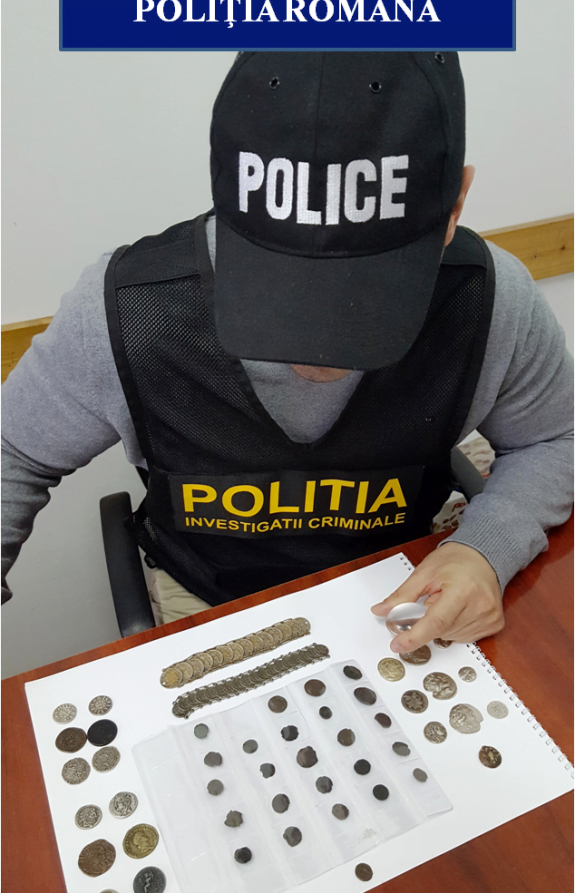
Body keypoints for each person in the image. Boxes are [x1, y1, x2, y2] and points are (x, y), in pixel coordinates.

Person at [0, 52, 573, 655]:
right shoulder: (125, 309)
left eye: (368, 294)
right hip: (208, 597)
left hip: (406, 582)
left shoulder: (490, 301)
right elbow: (13, 449)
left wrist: (485, 547)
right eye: (283, 288)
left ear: (455, 204)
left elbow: (556, 435)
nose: (318, 353)